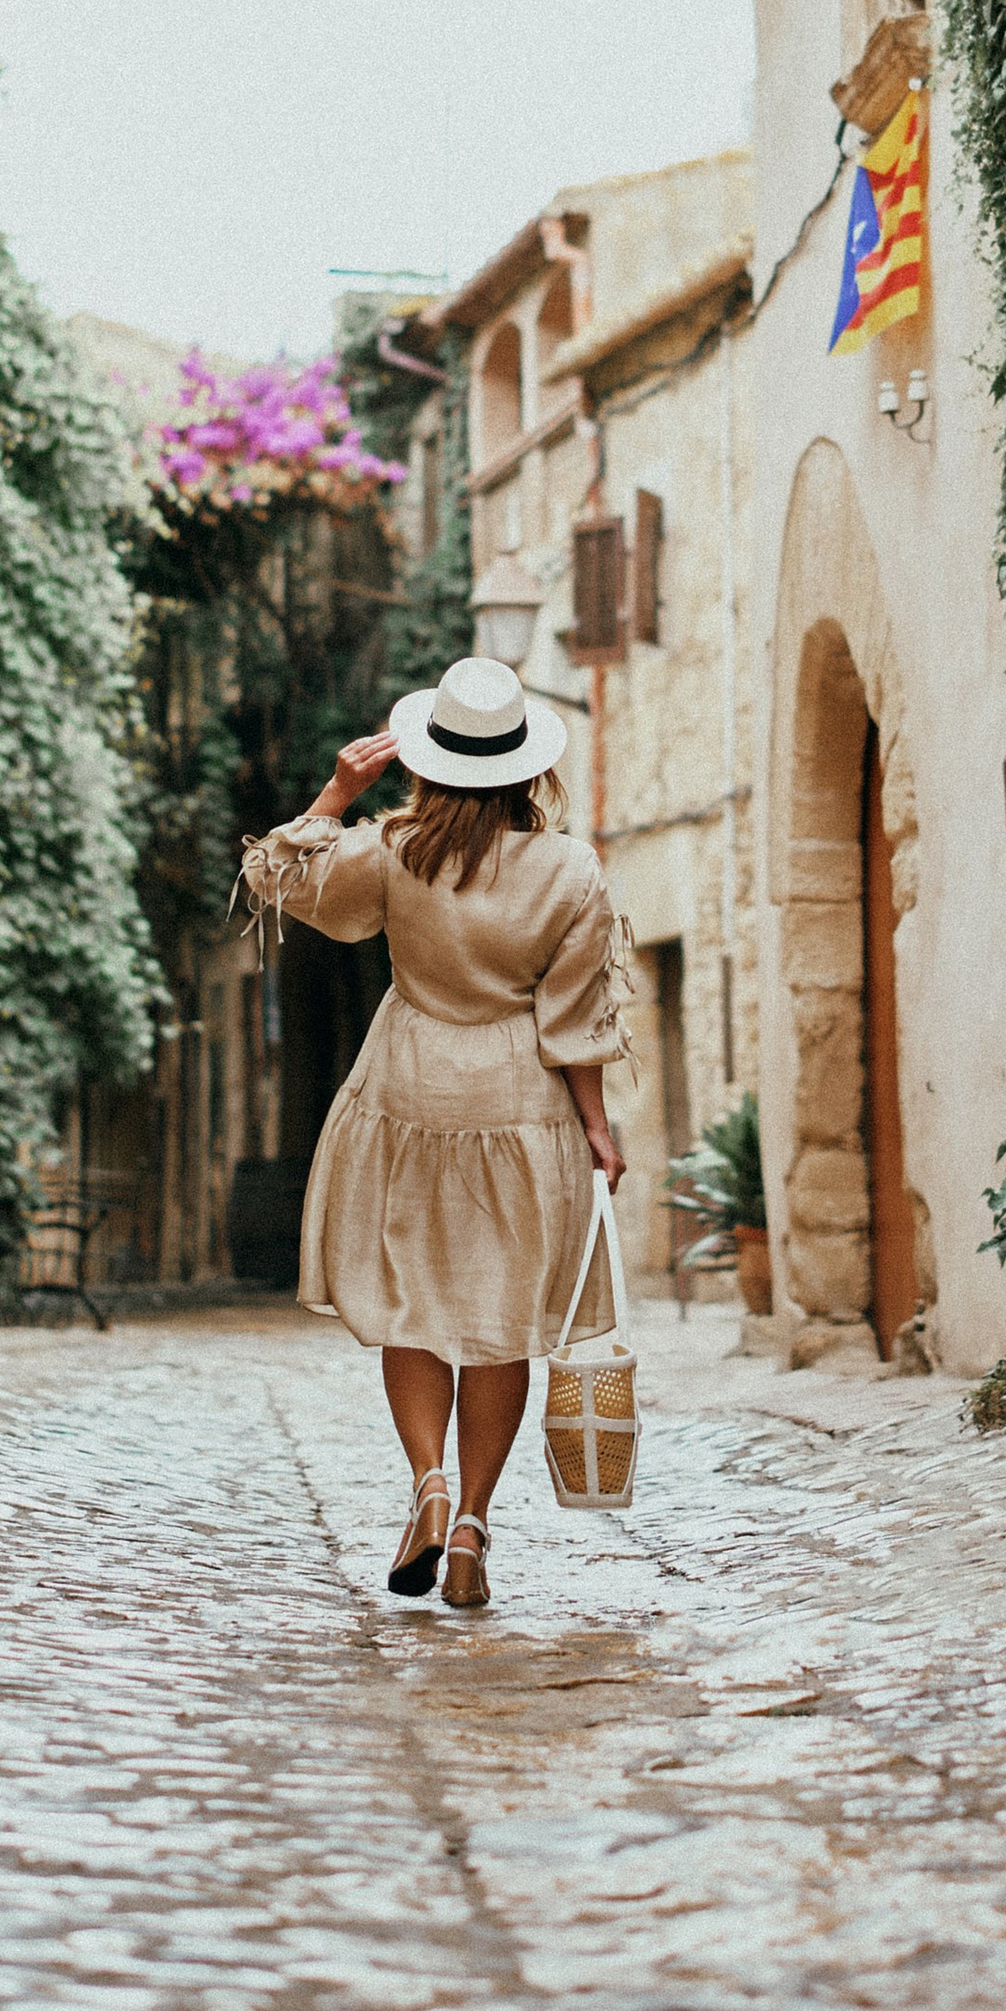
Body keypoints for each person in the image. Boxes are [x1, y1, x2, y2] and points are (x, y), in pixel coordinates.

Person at [240, 656, 629, 1613]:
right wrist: (597, 1126)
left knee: (412, 1302)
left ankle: (429, 1486)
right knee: (497, 1323)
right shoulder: (571, 871)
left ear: (431, 759)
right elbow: (575, 1019)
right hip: (520, 1108)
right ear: (523, 767)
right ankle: (472, 1526)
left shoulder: (394, 849)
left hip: (408, 1094)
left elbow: (274, 874)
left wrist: (338, 789)